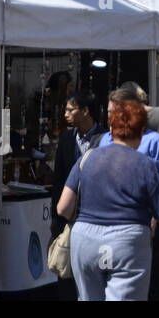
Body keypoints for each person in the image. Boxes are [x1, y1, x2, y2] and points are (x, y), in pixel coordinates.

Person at [56, 99, 159, 300]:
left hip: (85, 241)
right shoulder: (146, 165)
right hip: (127, 242)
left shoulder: (87, 158)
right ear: (141, 132)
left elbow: (63, 208)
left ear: (111, 129)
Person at [51, 91, 106, 239]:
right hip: (68, 216)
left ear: (85, 111)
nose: (65, 115)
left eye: (70, 110)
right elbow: (59, 178)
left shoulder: (105, 139)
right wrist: (55, 218)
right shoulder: (66, 139)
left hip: (96, 216)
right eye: (65, 110)